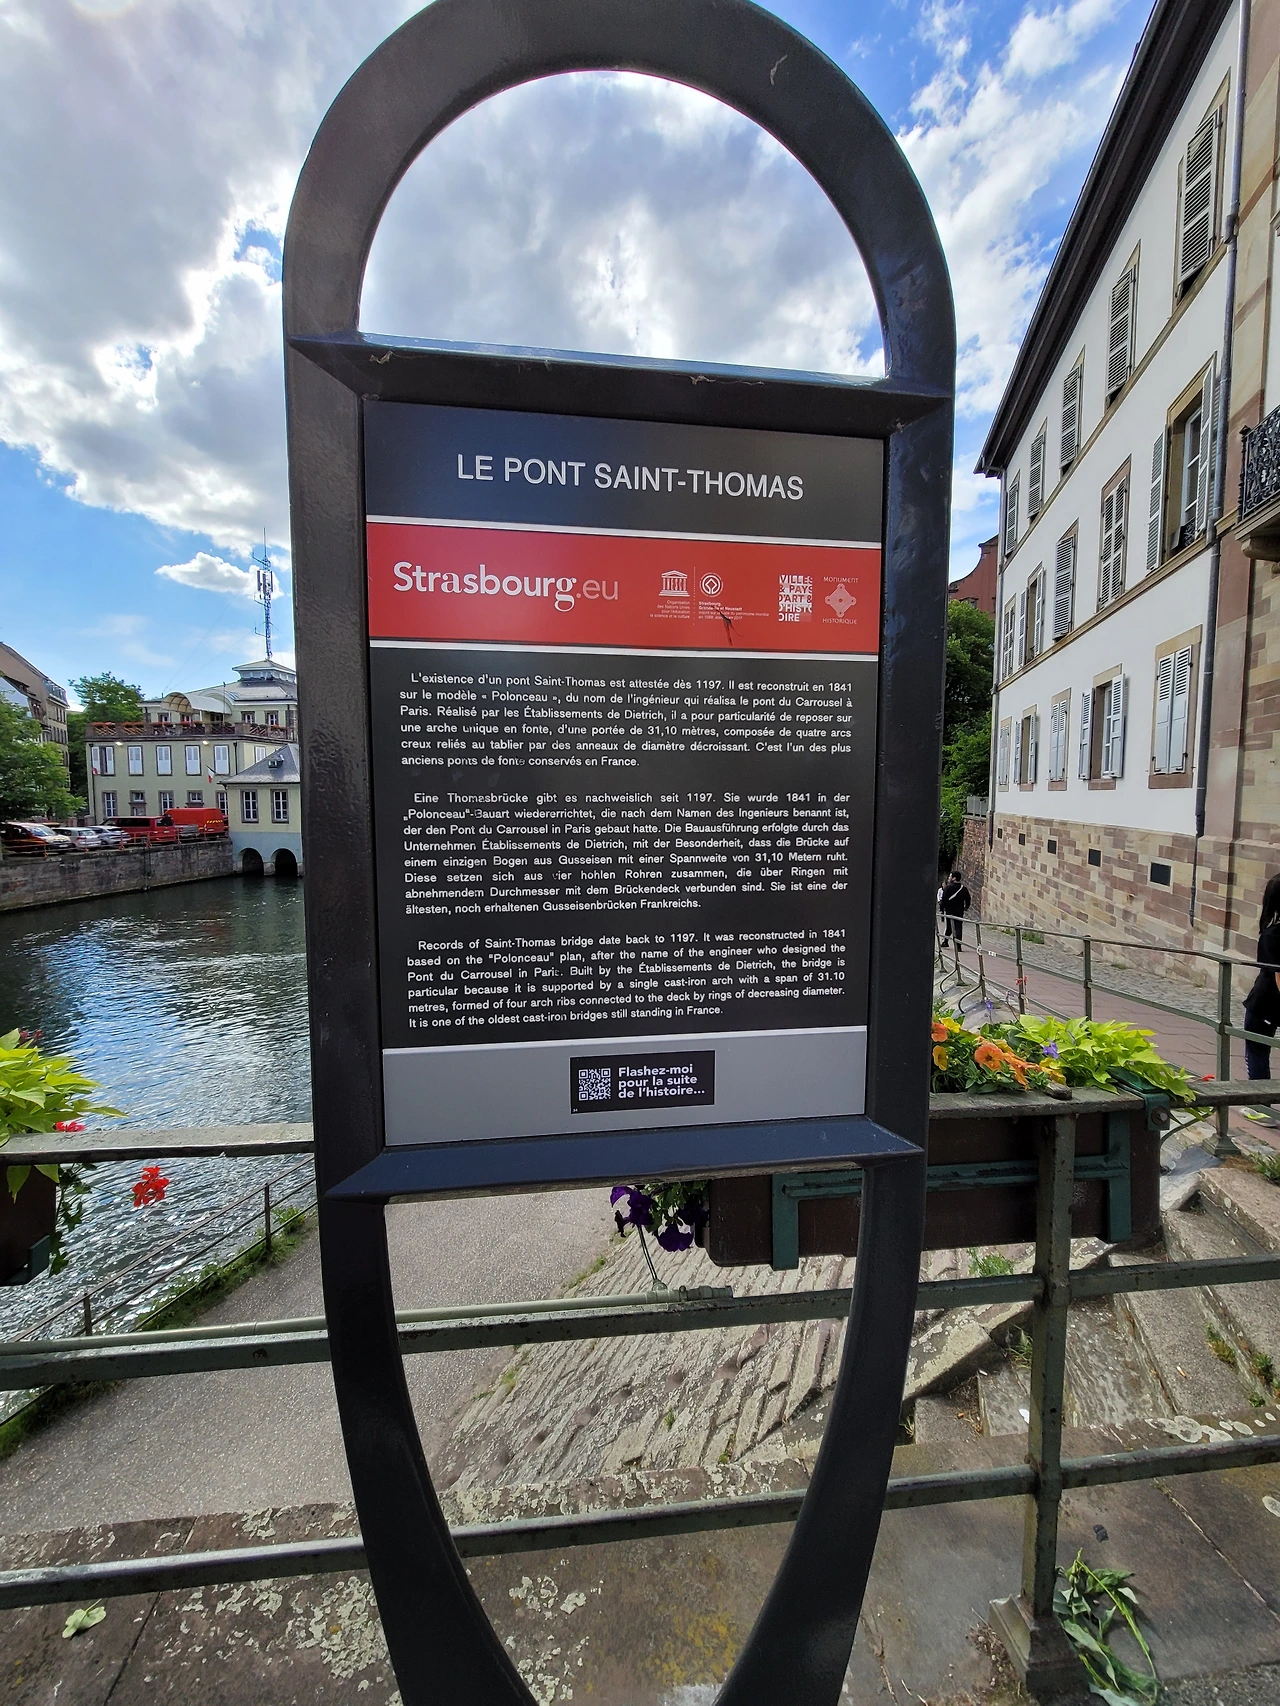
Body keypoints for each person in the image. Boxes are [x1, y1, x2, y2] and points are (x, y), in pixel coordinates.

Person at [1244, 873, 1280, 1087]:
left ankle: (1260, 1101)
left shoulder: (1272, 935)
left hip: (1265, 1004)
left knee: (1256, 1053)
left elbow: (1278, 974)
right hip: (1266, 1004)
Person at [938, 870, 972, 946]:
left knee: (949, 927)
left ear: (954, 878)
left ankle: (945, 941)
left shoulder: (948, 888)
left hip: (949, 910)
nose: (949, 878)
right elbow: (968, 899)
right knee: (958, 927)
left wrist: (942, 909)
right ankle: (958, 945)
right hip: (959, 911)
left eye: (950, 876)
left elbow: (944, 899)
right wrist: (966, 907)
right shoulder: (963, 888)